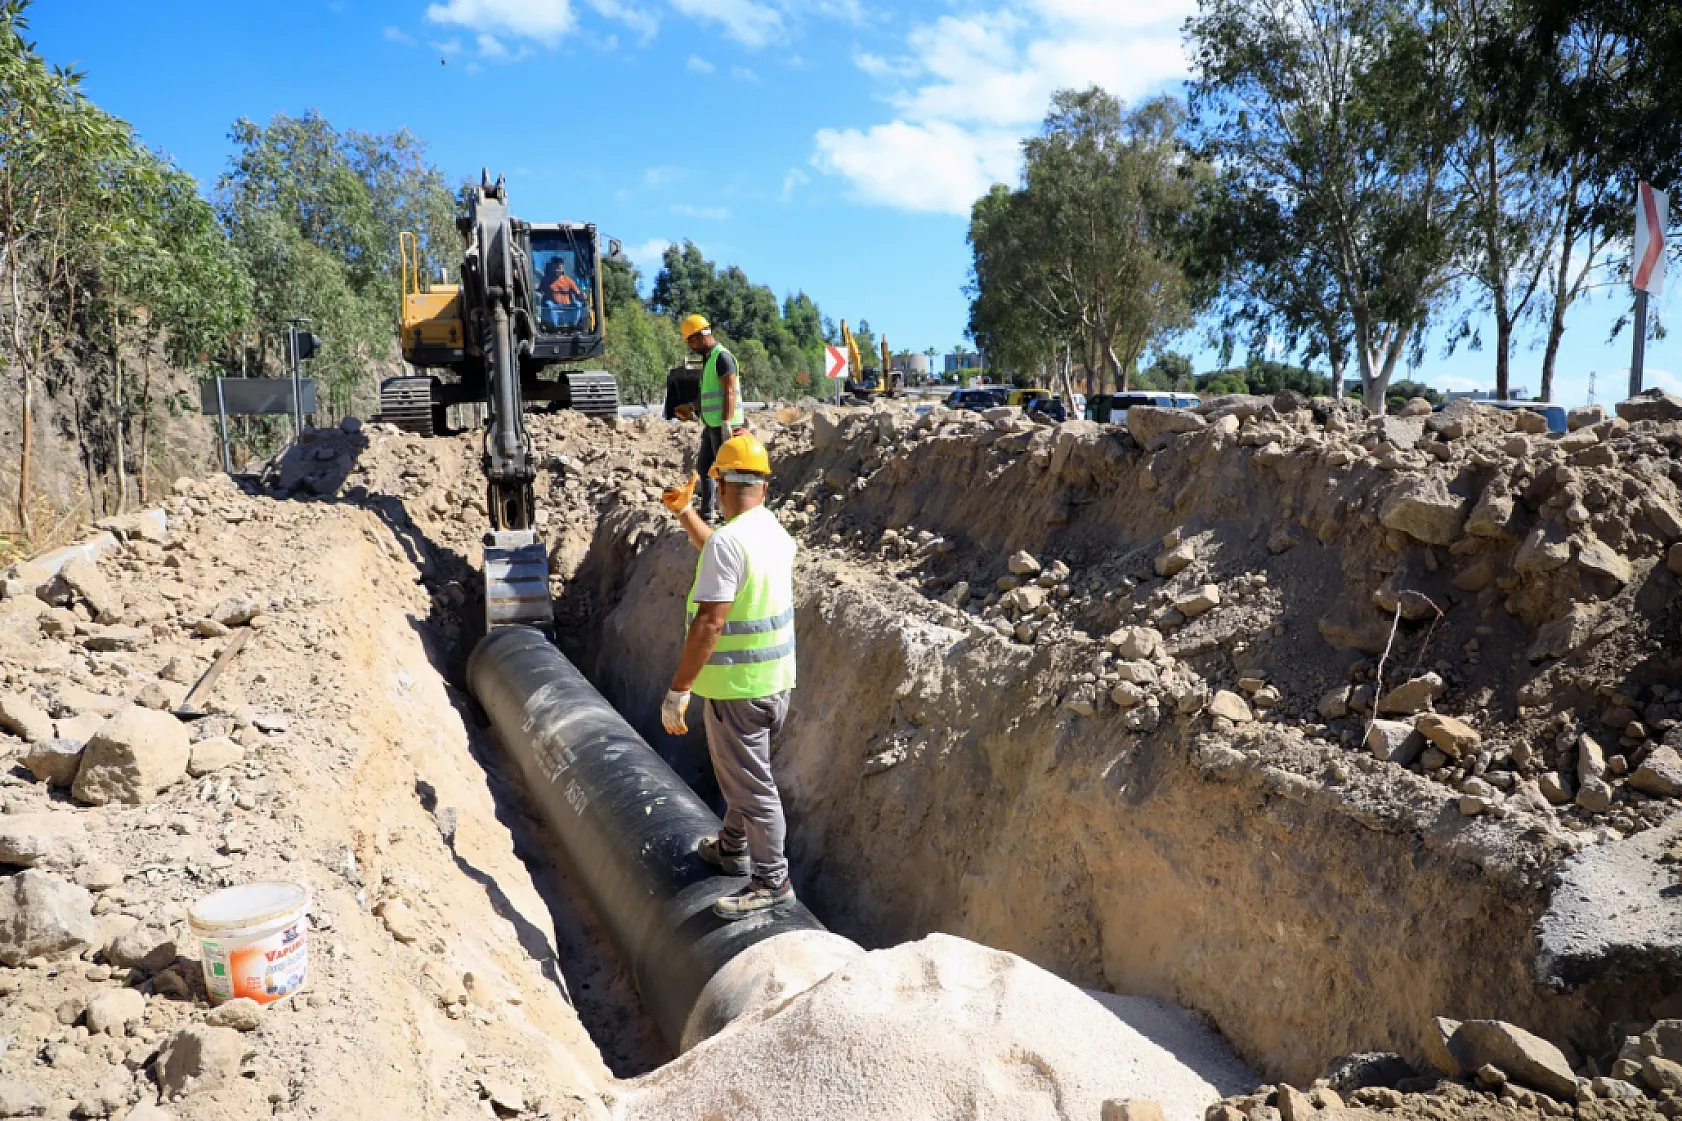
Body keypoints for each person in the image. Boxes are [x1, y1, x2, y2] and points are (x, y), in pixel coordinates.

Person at [659, 433, 798, 919]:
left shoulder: (729, 543)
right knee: (744, 773)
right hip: (773, 684)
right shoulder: (771, 534)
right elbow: (720, 553)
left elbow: (710, 621)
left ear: (719, 485)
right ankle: (732, 845)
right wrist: (684, 515)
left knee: (754, 788)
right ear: (763, 486)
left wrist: (679, 689)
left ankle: (771, 880)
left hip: (737, 691)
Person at [678, 313, 747, 522]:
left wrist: (726, 422)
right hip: (712, 425)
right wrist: (691, 407)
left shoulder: (722, 357)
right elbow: (709, 394)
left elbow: (729, 392)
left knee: (726, 474)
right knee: (705, 469)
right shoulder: (709, 360)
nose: (691, 347)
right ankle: (707, 515)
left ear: (700, 336)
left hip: (725, 426)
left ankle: (731, 516)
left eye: (691, 341)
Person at [541, 258, 584, 327]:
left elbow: (578, 293)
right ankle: (553, 327)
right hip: (553, 307)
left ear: (562, 268)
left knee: (577, 304)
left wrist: (582, 295)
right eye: (555, 266)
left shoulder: (568, 280)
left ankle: (573, 326)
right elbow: (539, 292)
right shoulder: (546, 280)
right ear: (552, 267)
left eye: (559, 266)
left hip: (567, 307)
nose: (557, 269)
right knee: (548, 304)